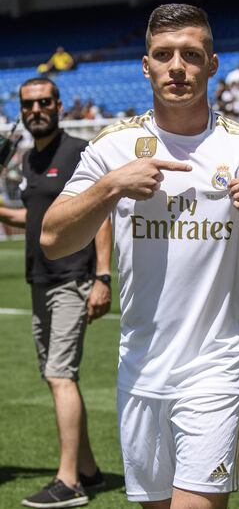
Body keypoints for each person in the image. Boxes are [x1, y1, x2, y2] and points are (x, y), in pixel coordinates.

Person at [40, 4, 239, 509]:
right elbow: (53, 239)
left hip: (219, 365)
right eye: (163, 55)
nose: (177, 67)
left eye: (191, 55)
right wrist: (110, 188)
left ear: (212, 64)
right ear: (145, 65)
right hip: (141, 366)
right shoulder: (113, 147)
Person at [0, 77, 112, 508]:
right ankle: (88, 469)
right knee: (57, 374)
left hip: (71, 277)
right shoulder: (29, 159)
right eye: (29, 104)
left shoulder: (78, 153)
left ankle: (69, 483)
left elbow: (101, 215)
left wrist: (102, 277)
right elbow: (29, 215)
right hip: (40, 280)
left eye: (44, 102)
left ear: (59, 105)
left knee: (59, 375)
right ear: (22, 110)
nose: (36, 109)